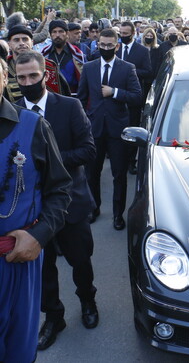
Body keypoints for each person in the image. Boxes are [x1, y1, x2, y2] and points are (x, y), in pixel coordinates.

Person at [15, 50, 99, 350]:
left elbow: (88, 151)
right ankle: (53, 316)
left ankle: (88, 301)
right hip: (32, 211)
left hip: (71, 202)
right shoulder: (12, 113)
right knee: (44, 267)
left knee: (80, 260)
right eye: (21, 77)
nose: (27, 82)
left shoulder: (69, 107)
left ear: (45, 75)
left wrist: (48, 161)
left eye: (33, 76)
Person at [0, 57, 72, 362]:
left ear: (5, 78)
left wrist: (39, 235)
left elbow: (60, 191)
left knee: (17, 348)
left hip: (16, 258)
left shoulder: (33, 126)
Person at [77, 28, 142, 230]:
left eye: (109, 45)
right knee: (92, 173)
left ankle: (117, 215)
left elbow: (137, 96)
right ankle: (94, 208)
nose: (105, 48)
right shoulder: (89, 68)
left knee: (119, 175)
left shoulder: (127, 68)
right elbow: (81, 98)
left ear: (117, 46)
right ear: (98, 45)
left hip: (117, 130)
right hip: (94, 129)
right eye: (102, 45)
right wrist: (83, 121)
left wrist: (114, 92)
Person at [117, 21, 151, 174]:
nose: (123, 36)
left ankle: (131, 161)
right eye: (121, 34)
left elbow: (148, 71)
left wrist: (130, 72)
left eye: (126, 34)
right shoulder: (115, 49)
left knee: (132, 129)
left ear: (133, 34)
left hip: (134, 96)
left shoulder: (142, 51)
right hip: (116, 95)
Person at [5, 25, 70, 102]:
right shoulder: (4, 69)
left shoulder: (49, 66)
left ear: (32, 42)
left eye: (25, 39)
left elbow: (63, 96)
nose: (21, 43)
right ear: (9, 45)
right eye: (16, 40)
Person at [41, 20, 84, 93]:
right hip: (51, 96)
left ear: (67, 34)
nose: (57, 35)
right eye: (54, 32)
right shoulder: (44, 54)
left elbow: (83, 78)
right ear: (50, 34)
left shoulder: (77, 54)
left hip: (72, 95)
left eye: (61, 31)